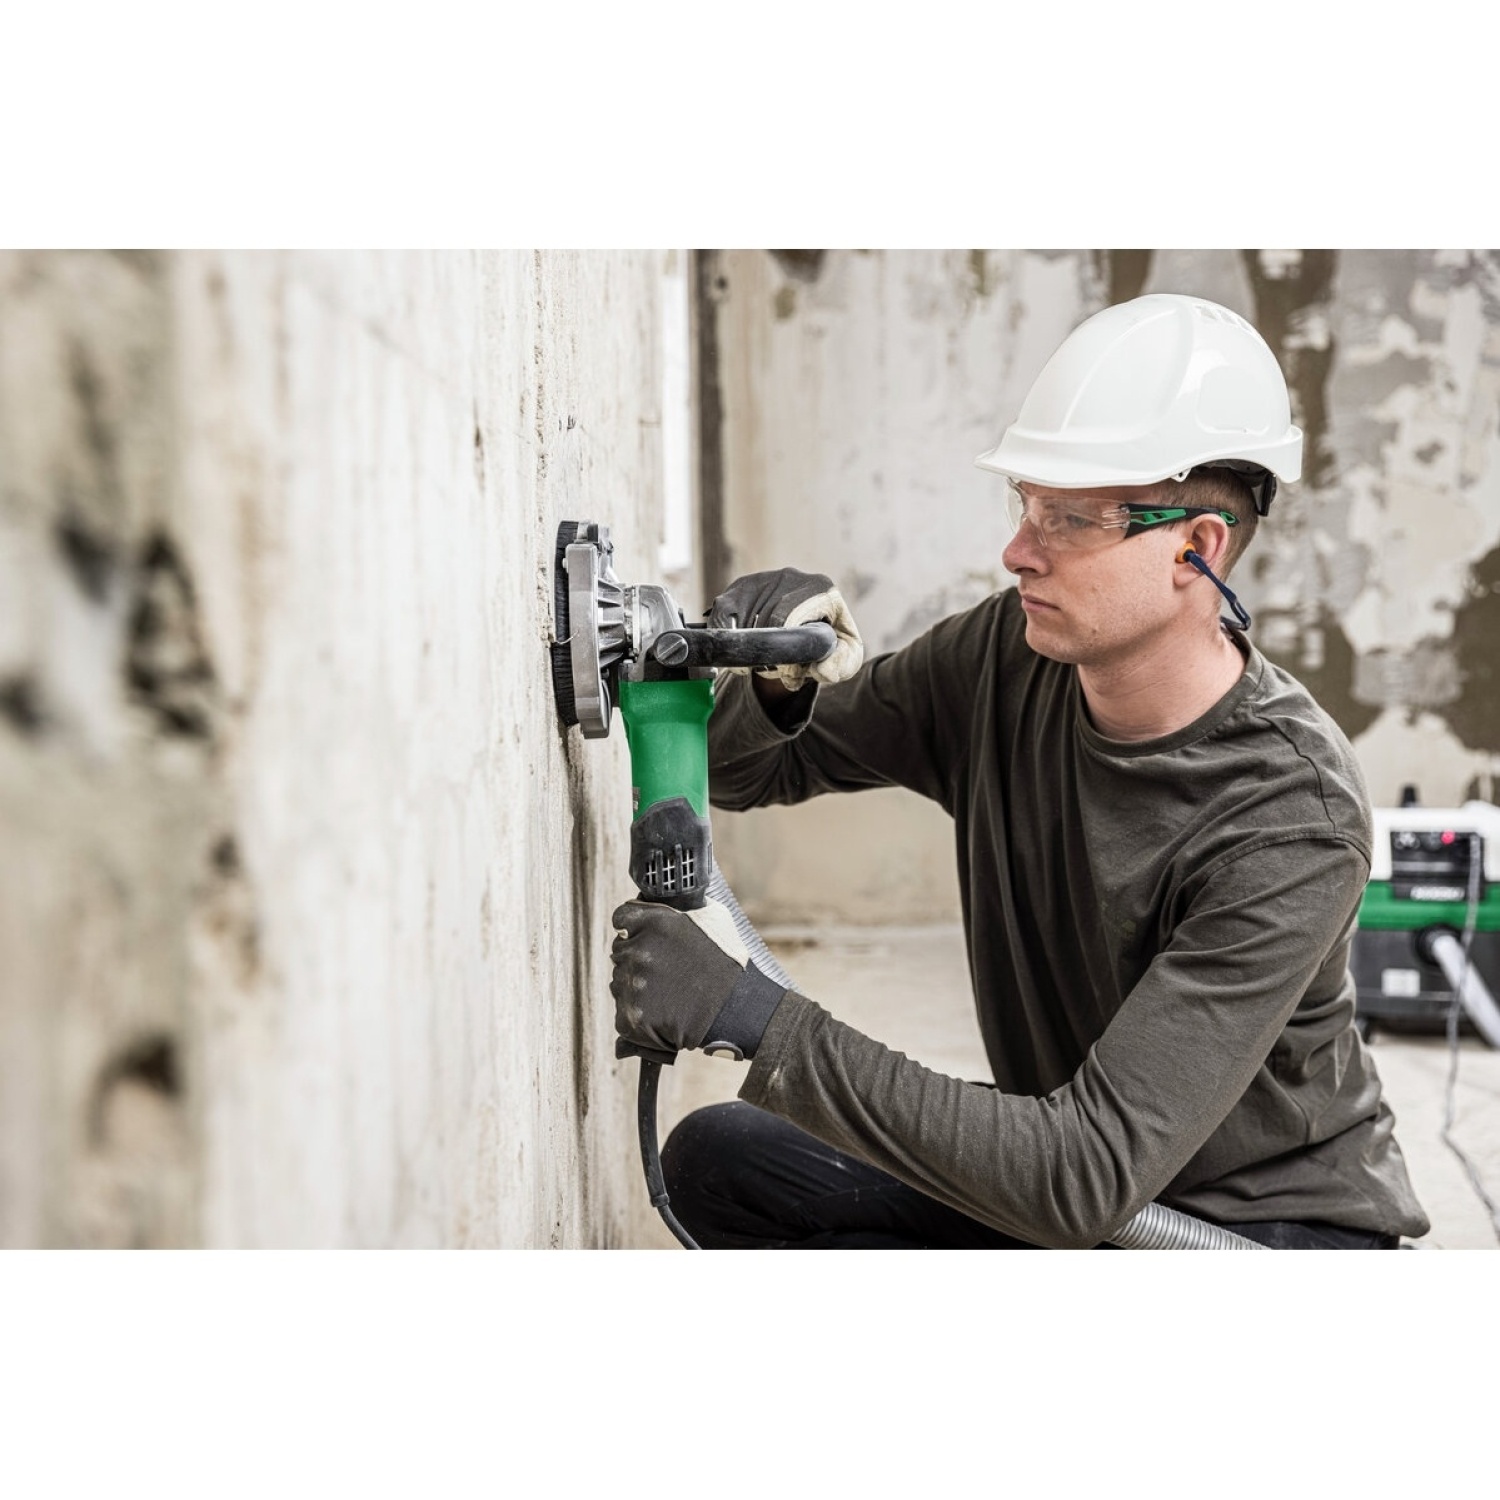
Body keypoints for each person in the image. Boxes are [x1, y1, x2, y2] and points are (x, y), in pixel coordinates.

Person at [609, 292, 1431, 1250]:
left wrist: (756, 1017)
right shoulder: (1009, 656)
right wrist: (775, 683)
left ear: (1196, 548)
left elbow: (1079, 1177)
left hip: (1257, 1235)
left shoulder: (1290, 818)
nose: (1018, 553)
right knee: (725, 1162)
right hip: (1085, 1176)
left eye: (1069, 520)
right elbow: (741, 773)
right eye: (1026, 506)